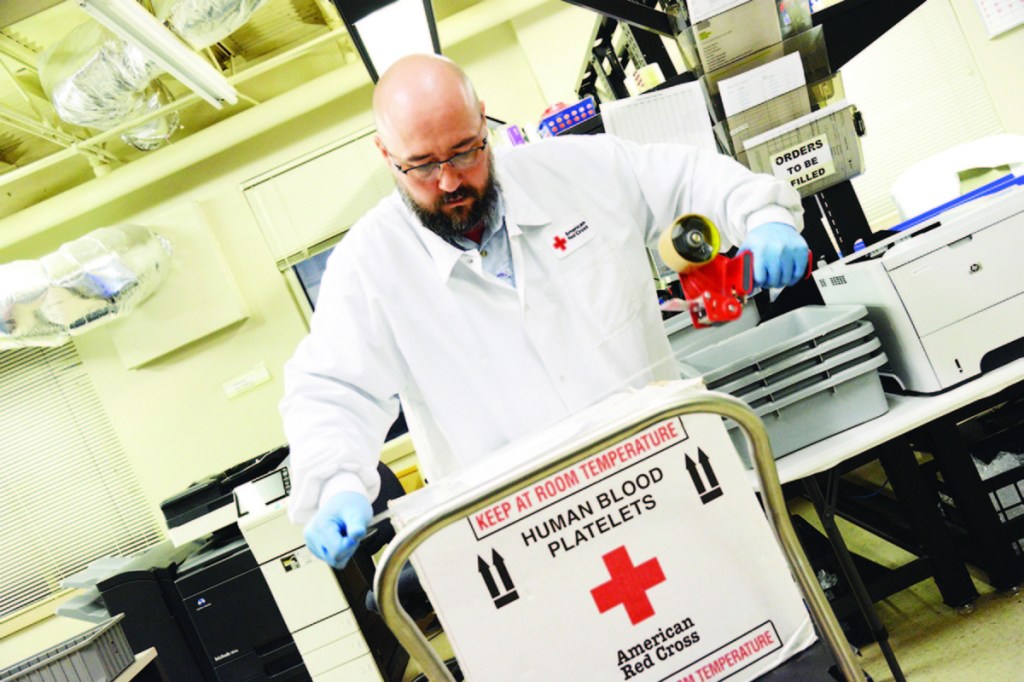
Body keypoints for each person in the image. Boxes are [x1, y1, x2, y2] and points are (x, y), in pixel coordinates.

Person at [281, 54, 809, 569]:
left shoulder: (576, 173)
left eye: (465, 151)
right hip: (529, 540)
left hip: (669, 477)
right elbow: (332, 388)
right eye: (421, 165)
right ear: (384, 152)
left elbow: (688, 177)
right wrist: (335, 485)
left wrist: (764, 217)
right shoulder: (369, 265)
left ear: (483, 121)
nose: (448, 181)